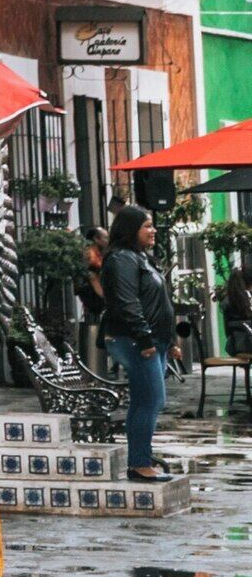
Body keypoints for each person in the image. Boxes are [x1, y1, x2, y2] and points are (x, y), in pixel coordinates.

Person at [95, 205, 182, 479]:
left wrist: (171, 341)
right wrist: (145, 340)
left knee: (145, 400)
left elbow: (159, 302)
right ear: (131, 229)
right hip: (136, 340)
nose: (153, 230)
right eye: (147, 226)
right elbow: (127, 303)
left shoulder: (139, 258)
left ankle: (138, 461)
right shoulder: (121, 259)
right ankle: (140, 464)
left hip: (153, 340)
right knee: (152, 400)